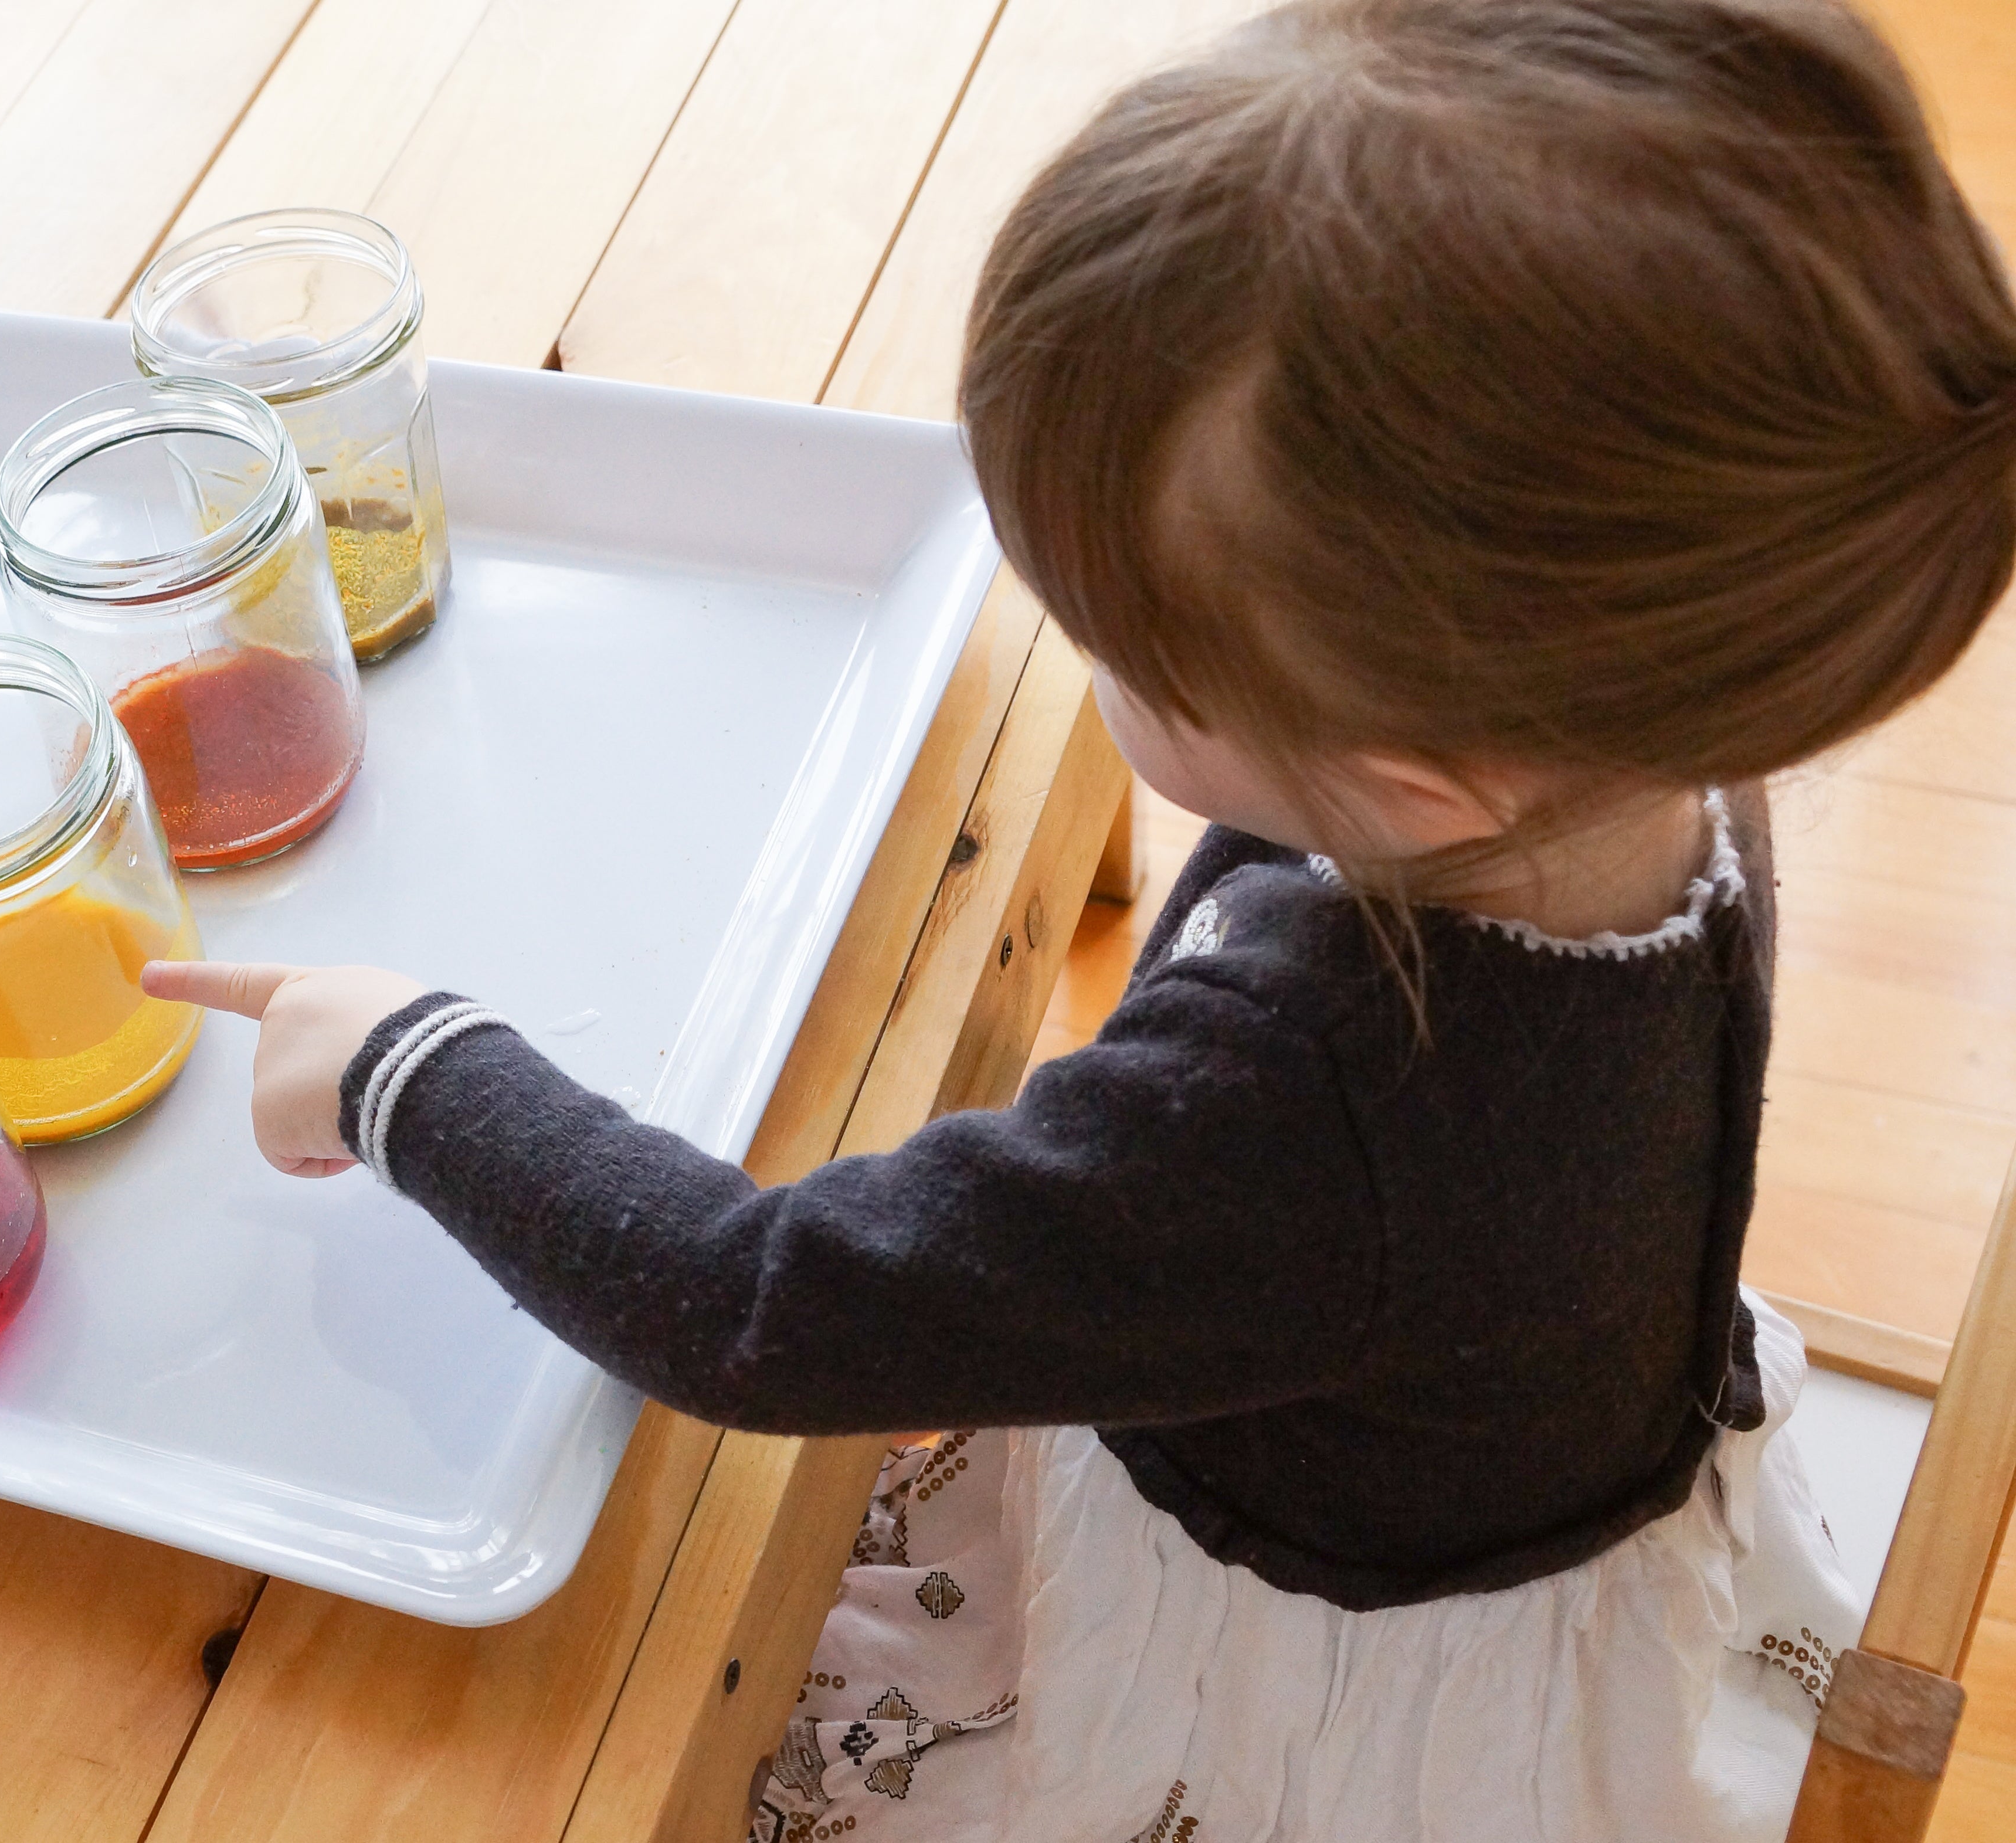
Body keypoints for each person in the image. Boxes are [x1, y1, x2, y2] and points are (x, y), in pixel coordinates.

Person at [143, 0, 2016, 1832]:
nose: (1076, 651)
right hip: (1487, 1453)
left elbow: (751, 1309)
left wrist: (405, 1068)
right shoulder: (1648, 745)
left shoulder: (1302, 1116)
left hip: (1315, 1632)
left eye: (1120, 647)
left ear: (1410, 787)